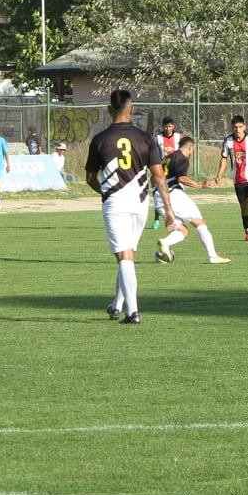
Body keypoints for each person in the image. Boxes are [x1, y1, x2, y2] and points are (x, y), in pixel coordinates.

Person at [86, 89, 176, 324]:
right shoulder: (145, 138)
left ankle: (133, 312)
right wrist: (168, 210)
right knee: (127, 255)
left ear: (108, 109)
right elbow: (159, 177)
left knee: (124, 257)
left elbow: (89, 178)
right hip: (140, 204)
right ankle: (117, 305)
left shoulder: (100, 139)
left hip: (115, 203)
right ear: (132, 109)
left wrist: (104, 191)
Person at [154, 136, 232, 265]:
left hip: (158, 197)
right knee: (199, 223)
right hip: (173, 194)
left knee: (183, 231)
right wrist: (201, 185)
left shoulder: (167, 158)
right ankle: (213, 256)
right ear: (190, 148)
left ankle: (165, 242)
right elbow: (181, 178)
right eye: (193, 150)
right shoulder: (182, 158)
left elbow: (154, 178)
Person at [208, 115, 248, 241]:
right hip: (238, 180)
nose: (238, 129)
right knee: (244, 206)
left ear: (244, 127)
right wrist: (219, 174)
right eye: (235, 127)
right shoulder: (228, 141)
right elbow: (224, 158)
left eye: (240, 127)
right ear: (232, 128)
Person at [151, 118, 182, 228]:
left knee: (176, 193)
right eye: (165, 127)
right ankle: (156, 219)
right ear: (162, 127)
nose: (167, 129)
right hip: (161, 171)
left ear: (173, 126)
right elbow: (152, 152)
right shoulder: (157, 138)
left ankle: (176, 216)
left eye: (169, 126)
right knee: (159, 194)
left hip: (175, 171)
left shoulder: (179, 137)